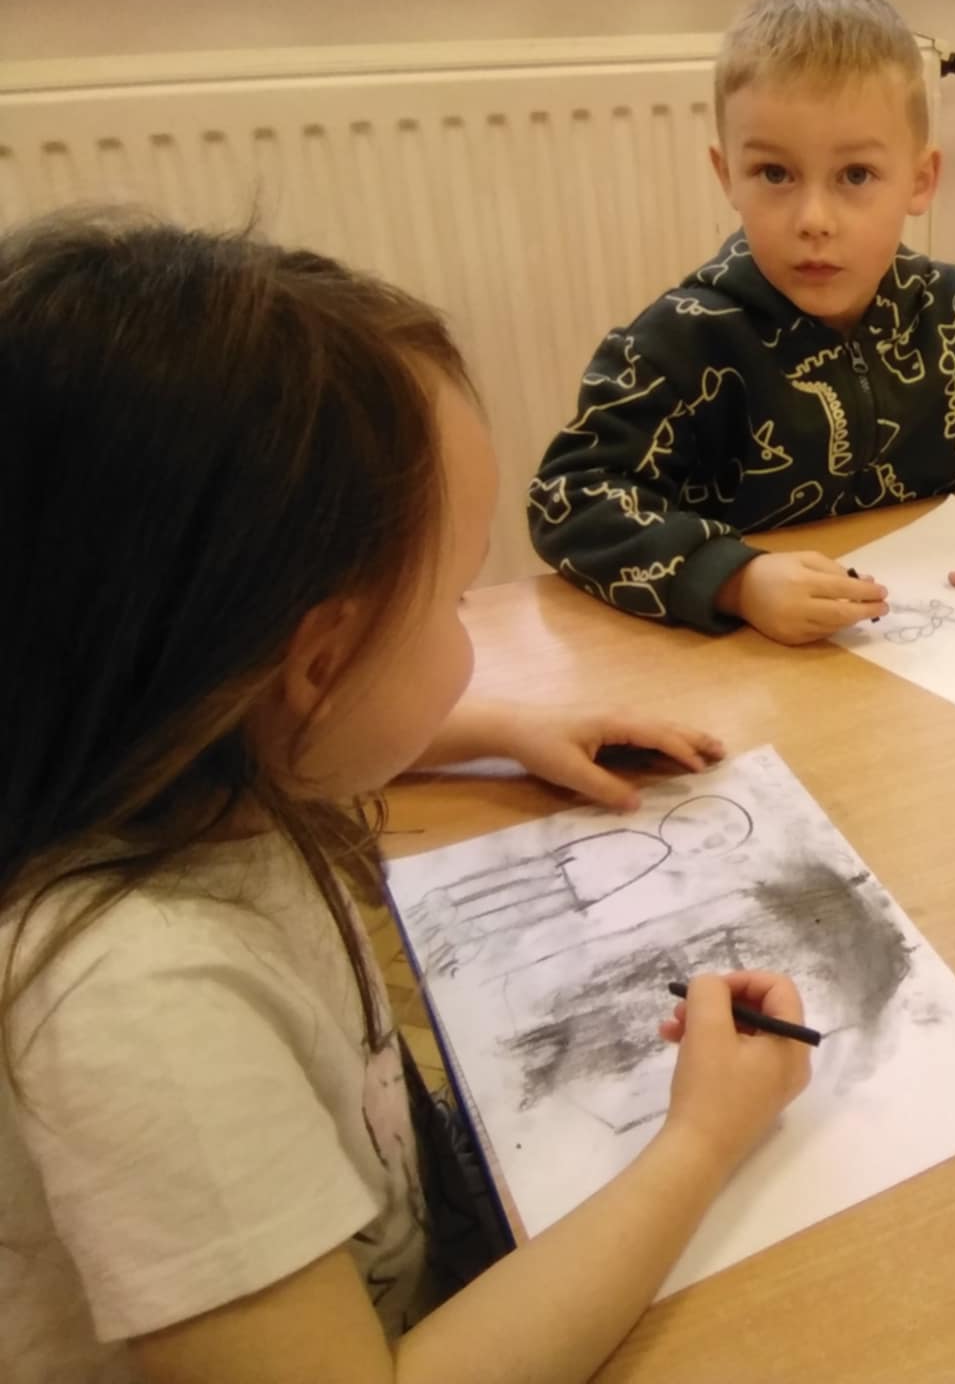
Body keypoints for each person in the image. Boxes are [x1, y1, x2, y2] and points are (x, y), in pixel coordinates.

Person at [0, 215, 812, 1384]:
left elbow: (289, 717)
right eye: (453, 598)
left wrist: (491, 730)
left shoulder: (177, 761)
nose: (465, 629)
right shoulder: (143, 1014)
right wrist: (699, 1140)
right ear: (318, 663)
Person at [529, 0, 955, 648]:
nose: (814, 219)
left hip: (942, 649)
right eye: (775, 174)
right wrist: (736, 580)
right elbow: (571, 497)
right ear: (727, 175)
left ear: (920, 180)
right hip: (755, 663)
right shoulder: (676, 342)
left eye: (855, 176)